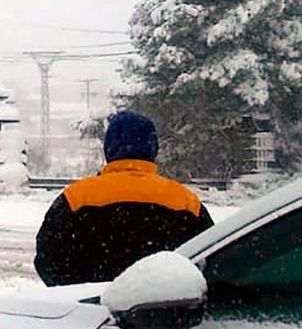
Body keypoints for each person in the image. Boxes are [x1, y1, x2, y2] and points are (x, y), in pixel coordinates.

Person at [34, 110, 214, 286]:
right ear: (153, 149)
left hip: (92, 310)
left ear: (109, 149)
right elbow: (214, 258)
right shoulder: (186, 201)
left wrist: (81, 290)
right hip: (166, 310)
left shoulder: (76, 197)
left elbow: (47, 259)